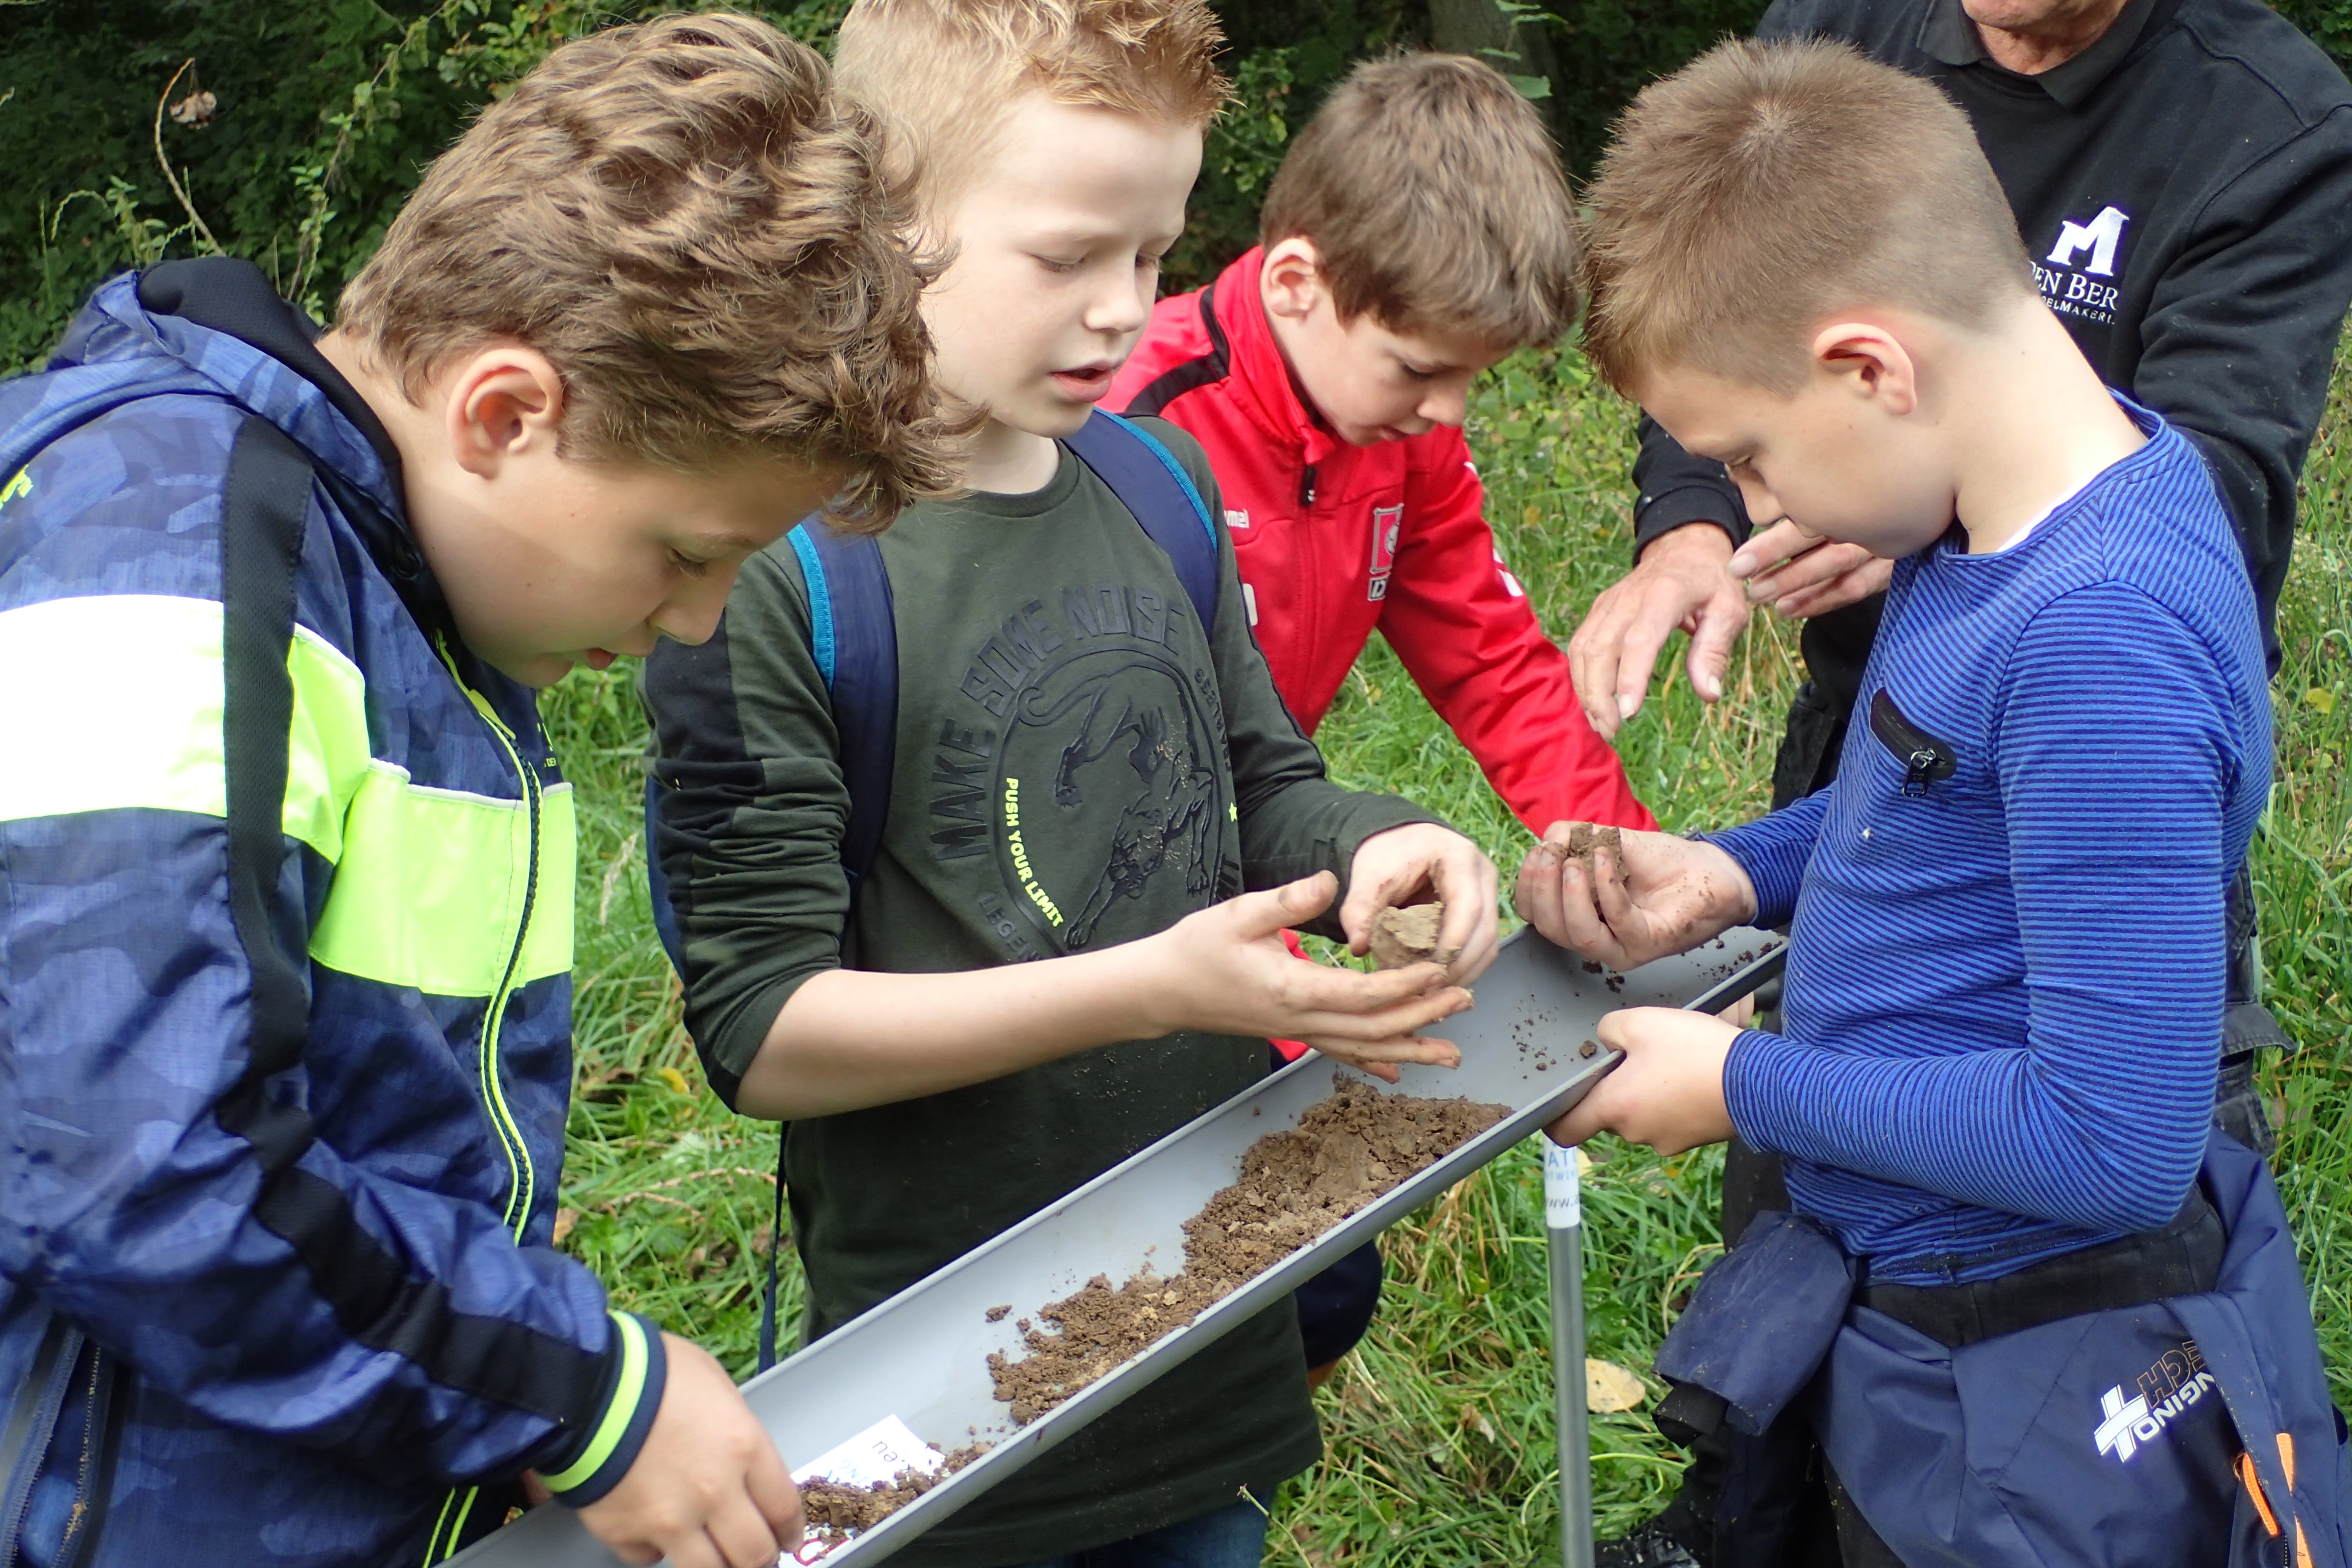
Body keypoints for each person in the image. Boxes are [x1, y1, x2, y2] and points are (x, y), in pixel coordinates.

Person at [0, 17, 952, 1568]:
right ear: (505, 413)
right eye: (688, 554)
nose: (698, 621)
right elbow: (139, 1167)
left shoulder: (406, 599)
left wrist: (483, 1346)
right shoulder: (177, 555)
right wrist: (575, 1392)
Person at [640, 3, 1503, 1566]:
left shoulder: (1158, 483)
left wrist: (1384, 846)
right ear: (887, 221)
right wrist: (1149, 991)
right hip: (960, 1374)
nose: (1120, 312)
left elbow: (1261, 787)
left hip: (1211, 1320)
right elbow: (762, 1032)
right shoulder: (775, 561)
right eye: (1064, 257)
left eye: (1156, 257)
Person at [1524, 38, 2342, 1568]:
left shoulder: (2102, 640)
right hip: (1904, 1305)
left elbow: (2111, 1139)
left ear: (1870, 368)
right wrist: (1730, 872)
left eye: (1752, 458)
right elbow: (1935, 802)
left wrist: (1737, 1086)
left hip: (2014, 1361)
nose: (1758, 509)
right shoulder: (1996, 522)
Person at [1108, 47, 1652, 1389]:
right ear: (1296, 285)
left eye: (1470, 381)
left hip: (1265, 841)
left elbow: (1496, 660)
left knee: (1315, 1277)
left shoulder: (1400, 438)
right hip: (1107, 907)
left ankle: (1215, 1460)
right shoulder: (1132, 425)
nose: (1448, 414)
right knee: (1205, 1265)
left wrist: (1630, 879)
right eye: (1421, 367)